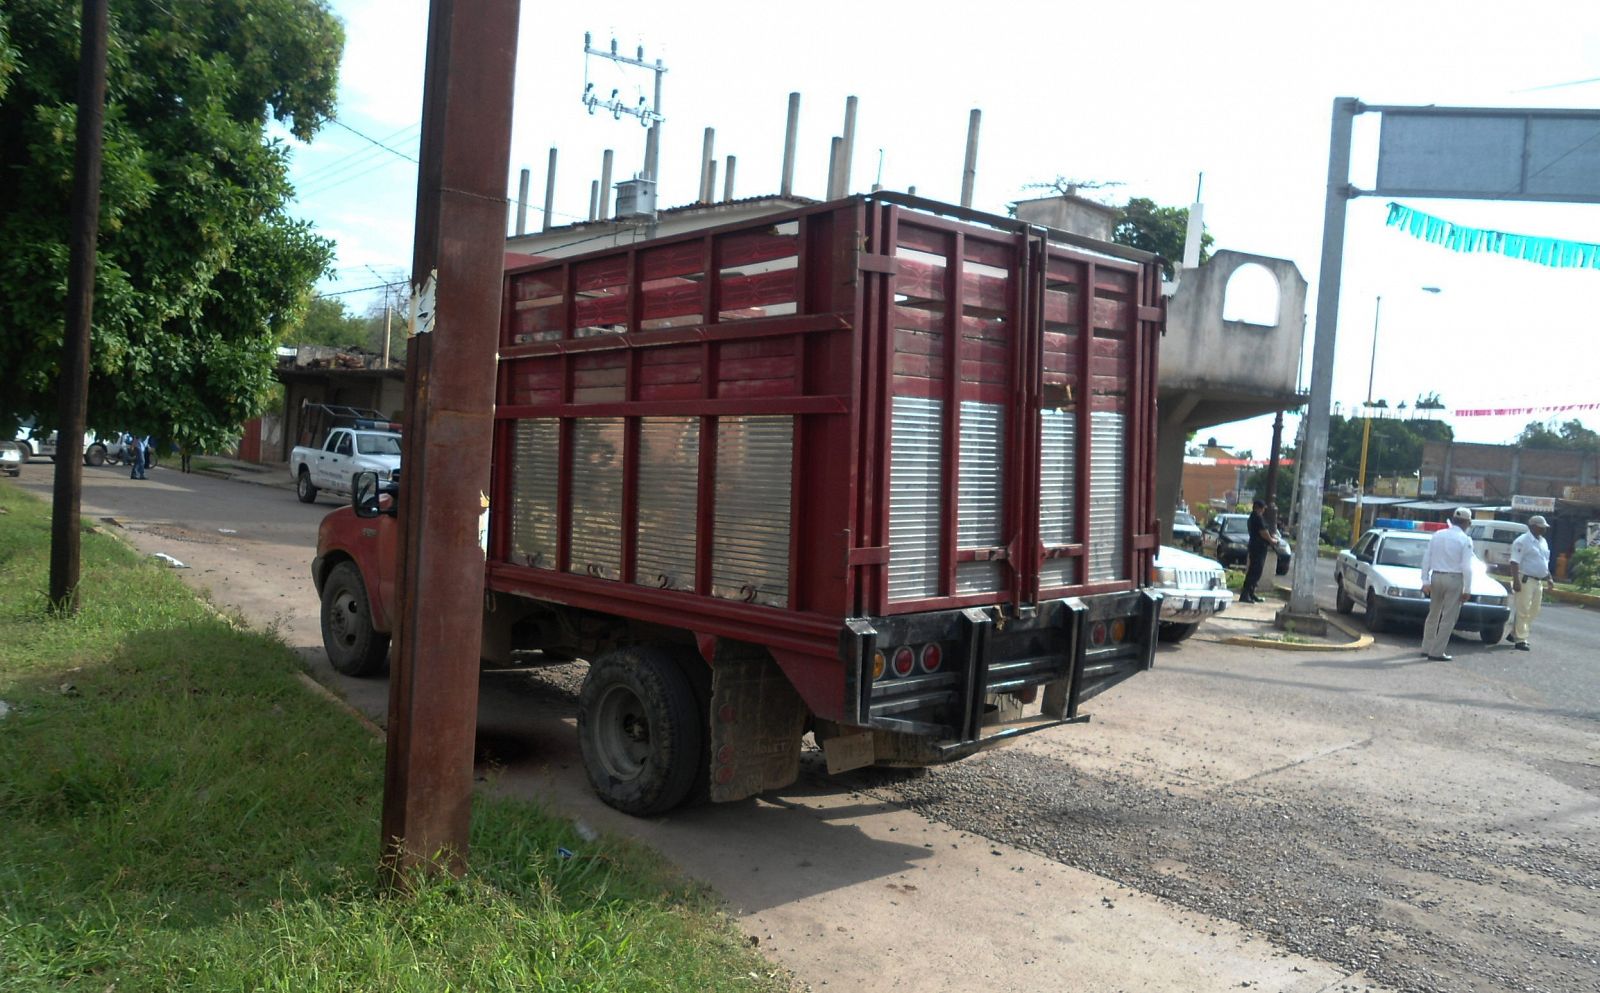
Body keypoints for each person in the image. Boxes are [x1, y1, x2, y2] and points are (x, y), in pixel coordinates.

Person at [1419, 507, 1477, 661]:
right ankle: (1436, 652)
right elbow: (1467, 566)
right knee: (1448, 618)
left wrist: (1425, 580)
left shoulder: (1438, 535)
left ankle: (1426, 647)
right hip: (1454, 579)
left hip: (1436, 577)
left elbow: (1427, 558)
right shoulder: (1465, 540)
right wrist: (1468, 588)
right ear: (1467, 522)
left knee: (1433, 614)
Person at [1506, 514, 1554, 651]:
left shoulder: (1543, 541)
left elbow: (1545, 561)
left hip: (1538, 581)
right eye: (1541, 527)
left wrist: (1549, 577)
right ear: (1532, 526)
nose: (1544, 529)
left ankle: (1515, 632)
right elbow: (1514, 562)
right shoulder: (1522, 541)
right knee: (1523, 609)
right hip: (1525, 579)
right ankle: (1521, 639)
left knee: (1534, 610)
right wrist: (1516, 580)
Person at [1240, 498, 1273, 603]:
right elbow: (1263, 532)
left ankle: (1251, 593)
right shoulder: (1257, 518)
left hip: (1257, 546)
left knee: (1256, 571)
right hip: (1258, 547)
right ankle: (1245, 594)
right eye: (1263, 508)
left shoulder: (1253, 517)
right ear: (1258, 508)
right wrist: (1272, 540)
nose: (1263, 510)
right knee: (1254, 571)